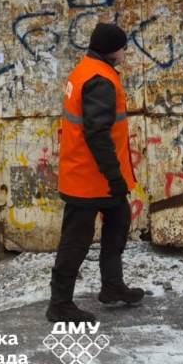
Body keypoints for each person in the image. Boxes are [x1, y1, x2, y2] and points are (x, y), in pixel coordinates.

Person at [47, 23, 146, 324]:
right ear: (113, 50)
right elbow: (97, 134)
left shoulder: (87, 69)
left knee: (118, 224)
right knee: (76, 240)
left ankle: (112, 286)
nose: (126, 51)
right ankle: (60, 303)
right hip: (90, 178)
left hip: (97, 177)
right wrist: (114, 176)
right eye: (123, 47)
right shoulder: (99, 80)